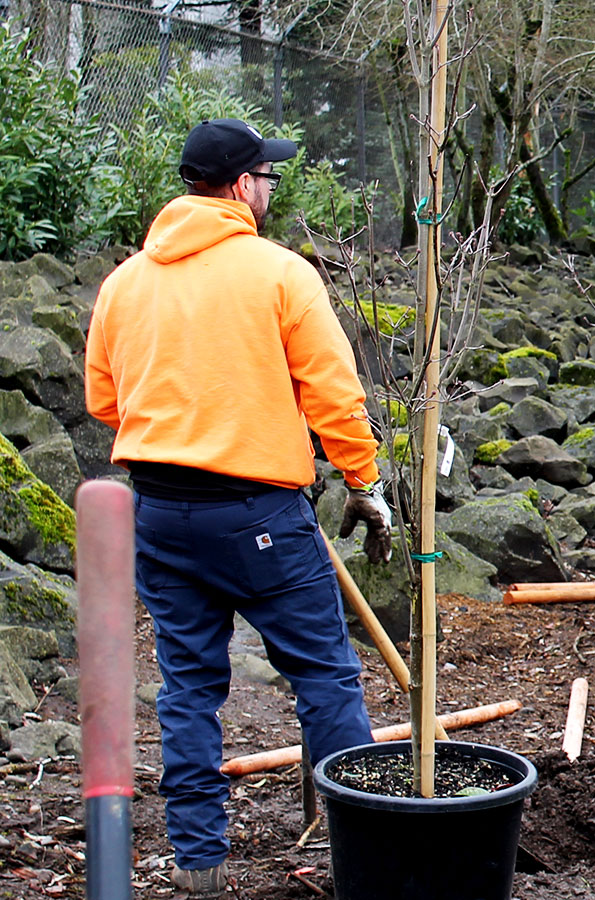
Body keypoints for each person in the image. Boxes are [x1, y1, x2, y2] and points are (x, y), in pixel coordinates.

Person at [85, 119, 394, 896]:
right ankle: (368, 844)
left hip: (157, 510)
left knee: (187, 684)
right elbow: (333, 393)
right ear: (240, 186)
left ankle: (198, 858)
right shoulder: (278, 273)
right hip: (258, 513)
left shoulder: (126, 282)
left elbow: (102, 400)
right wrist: (363, 482)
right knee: (324, 675)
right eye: (270, 179)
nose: (270, 192)